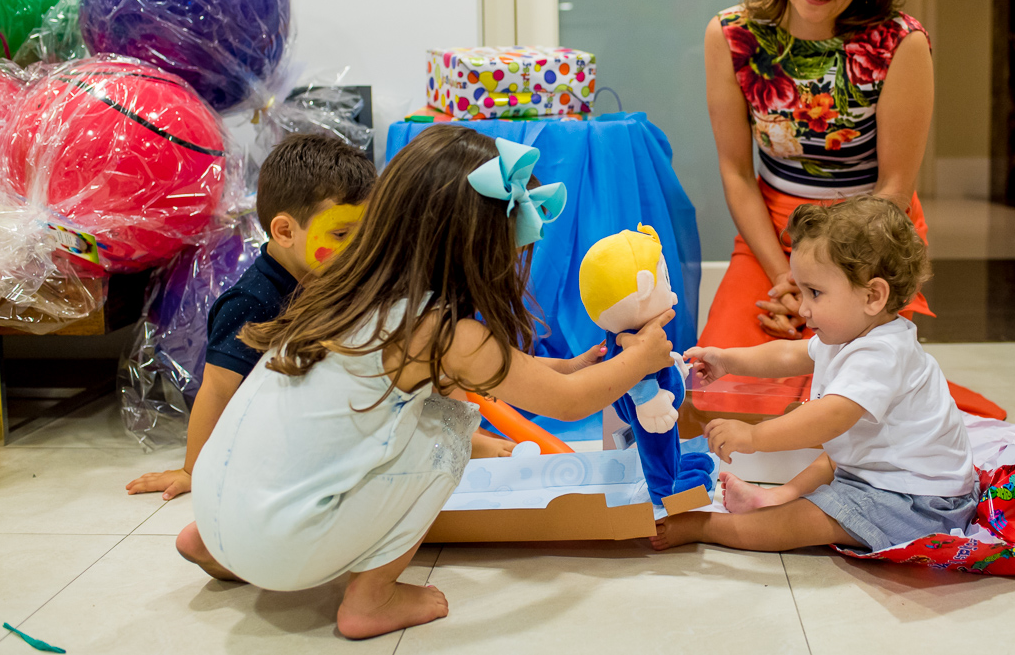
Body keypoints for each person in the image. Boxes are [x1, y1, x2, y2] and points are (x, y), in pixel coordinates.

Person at [173, 125, 678, 639]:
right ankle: (371, 599)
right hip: (278, 550)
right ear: (476, 251)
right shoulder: (434, 329)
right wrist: (641, 360)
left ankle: (220, 548)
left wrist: (567, 365)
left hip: (214, 513)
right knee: (447, 426)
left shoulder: (339, 289)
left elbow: (503, 371)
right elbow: (567, 405)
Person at [689, 0, 1003, 429]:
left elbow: (894, 190)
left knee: (850, 399)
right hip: (774, 231)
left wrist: (824, 284)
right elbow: (737, 172)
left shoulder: (900, 42)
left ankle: (933, 402)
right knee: (718, 396)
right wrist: (787, 277)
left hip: (870, 236)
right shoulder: (731, 36)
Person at [125, 133, 513, 501]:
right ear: (284, 231)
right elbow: (218, 389)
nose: (358, 250)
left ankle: (463, 439)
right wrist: (195, 470)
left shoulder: (340, 281)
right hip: (272, 451)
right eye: (342, 235)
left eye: (365, 235)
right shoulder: (252, 302)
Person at [653, 196, 976, 554]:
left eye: (815, 293)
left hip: (919, 503)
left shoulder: (881, 353)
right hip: (883, 474)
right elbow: (789, 354)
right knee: (835, 457)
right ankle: (777, 496)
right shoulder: (853, 331)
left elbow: (828, 419)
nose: (803, 307)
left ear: (873, 295)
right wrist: (728, 360)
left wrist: (753, 436)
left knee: (807, 520)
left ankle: (707, 526)